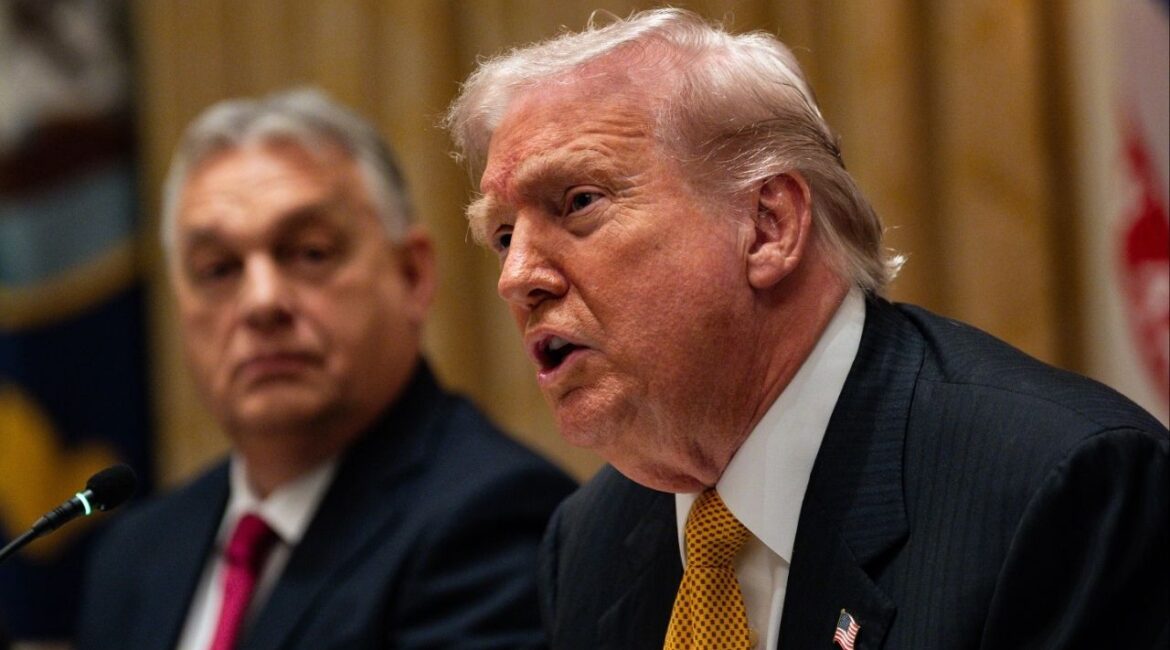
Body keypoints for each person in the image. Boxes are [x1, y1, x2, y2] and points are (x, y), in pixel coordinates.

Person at [443, 8, 1169, 649]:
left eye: (577, 203)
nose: (518, 278)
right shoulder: (588, 543)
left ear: (769, 226)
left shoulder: (1059, 490)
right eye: (504, 236)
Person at [76, 88, 576, 649]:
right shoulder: (135, 553)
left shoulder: (492, 517)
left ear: (411, 275)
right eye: (218, 269)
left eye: (310, 253)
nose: (262, 302)